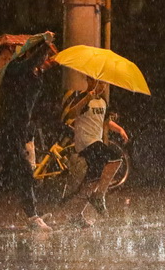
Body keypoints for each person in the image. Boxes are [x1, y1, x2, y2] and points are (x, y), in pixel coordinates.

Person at [0, 32, 56, 231]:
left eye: (8, 57)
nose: (7, 60)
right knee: (17, 172)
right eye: (3, 58)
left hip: (13, 130)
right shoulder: (12, 70)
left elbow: (28, 99)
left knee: (5, 174)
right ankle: (31, 216)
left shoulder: (25, 72)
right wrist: (44, 45)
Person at [61, 76, 129, 228]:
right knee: (115, 157)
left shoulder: (102, 101)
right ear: (89, 81)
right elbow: (71, 115)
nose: (101, 85)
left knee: (93, 180)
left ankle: (77, 216)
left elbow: (105, 120)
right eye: (98, 82)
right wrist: (87, 98)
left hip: (96, 143)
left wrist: (119, 129)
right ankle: (99, 196)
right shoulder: (82, 97)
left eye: (104, 83)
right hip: (86, 142)